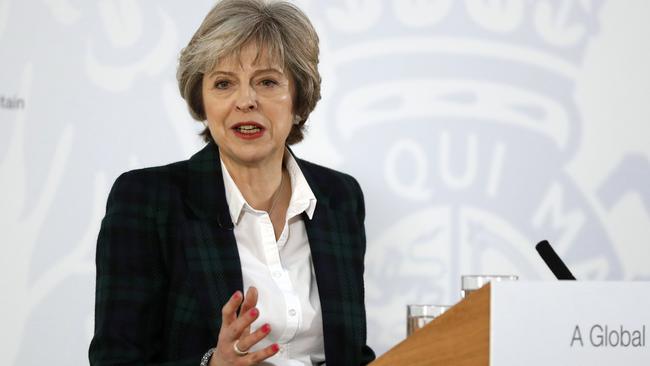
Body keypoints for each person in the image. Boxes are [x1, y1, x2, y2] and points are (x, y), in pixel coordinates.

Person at [88, 0, 375, 365]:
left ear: (299, 99)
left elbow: (352, 353)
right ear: (202, 101)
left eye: (267, 82)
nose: (245, 101)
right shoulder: (148, 200)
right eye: (224, 83)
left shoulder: (339, 198)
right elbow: (115, 359)